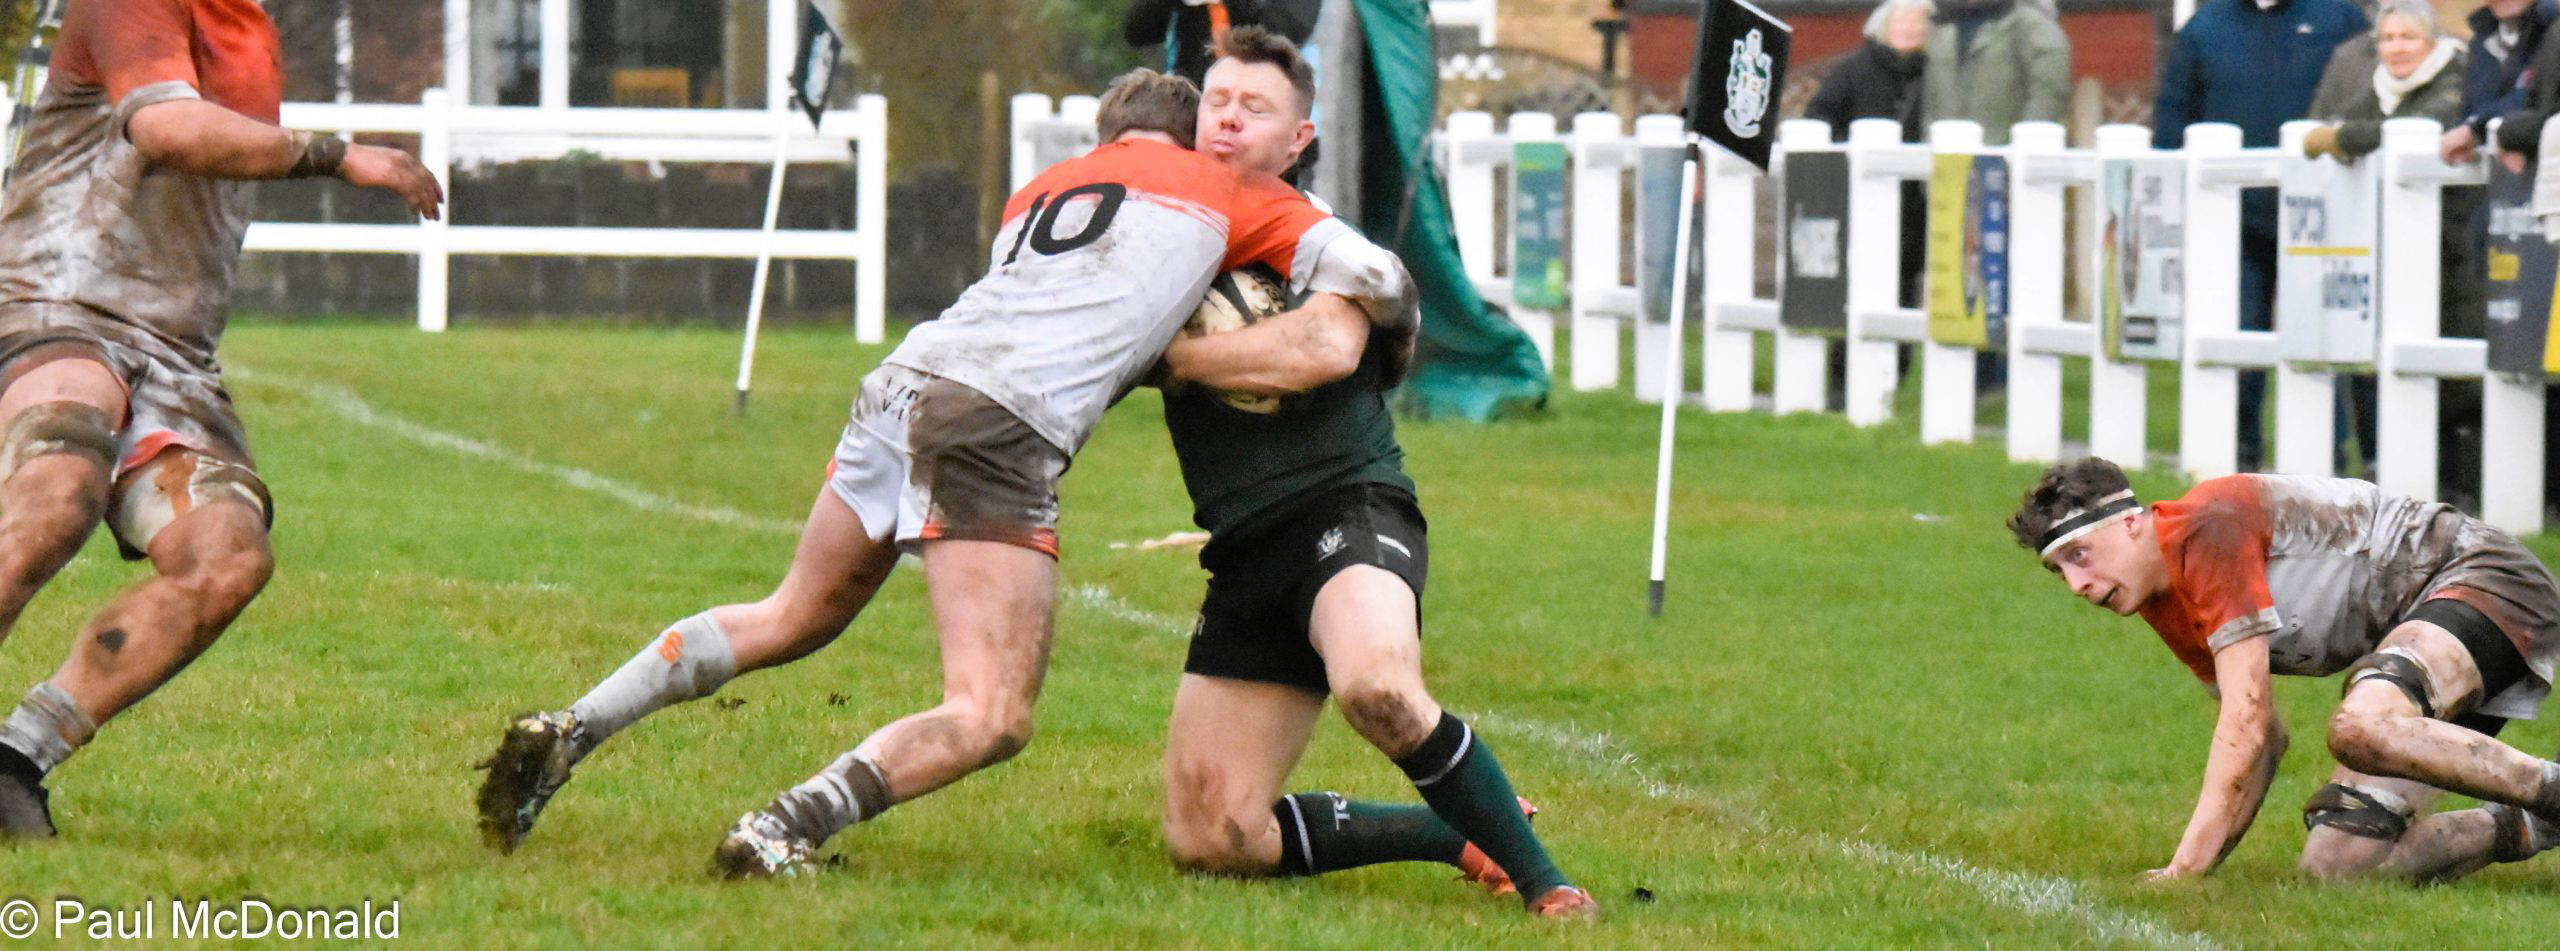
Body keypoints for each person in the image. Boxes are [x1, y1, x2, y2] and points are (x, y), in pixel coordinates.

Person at [472, 68, 1415, 879]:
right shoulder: (1217, 186)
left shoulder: (1039, 193)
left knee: (792, 611)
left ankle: (572, 725)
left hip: (903, 378)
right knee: (991, 712)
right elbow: (1373, 279)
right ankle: (781, 828)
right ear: (1187, 133)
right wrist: (1392, 338)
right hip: (994, 421)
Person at [1147, 27, 1597, 920]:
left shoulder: (1322, 240)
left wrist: (1175, 359)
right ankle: (1456, 832)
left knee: (1377, 686)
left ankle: (1549, 885)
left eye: (1254, 108)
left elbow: (1321, 347)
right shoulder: (1162, 242)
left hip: (1347, 506)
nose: (1227, 119)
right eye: (1217, 101)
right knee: (1210, 834)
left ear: (1299, 139)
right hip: (1244, 551)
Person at [0, 0, 443, 837]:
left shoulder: (248, 28)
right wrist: (341, 156)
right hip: (52, 308)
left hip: (176, 356)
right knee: (60, 489)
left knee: (229, 559)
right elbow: (167, 128)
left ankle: (16, 758)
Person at [2009, 459, 2560, 882]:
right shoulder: (2160, 600)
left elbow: (2246, 721)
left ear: (2130, 523)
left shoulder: (2206, 526)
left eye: (2079, 555)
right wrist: (2196, 873)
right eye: (2059, 571)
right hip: (2427, 641)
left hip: (2480, 578)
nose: (2076, 585)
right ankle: (2535, 822)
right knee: (2336, 869)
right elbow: (2265, 739)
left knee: (2360, 727)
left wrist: (2183, 870)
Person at [2153, 0, 2366, 473]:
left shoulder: (2339, 17)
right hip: (2231, 215)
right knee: (2237, 327)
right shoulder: (2205, 26)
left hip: (2322, 213)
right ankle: (2238, 451)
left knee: (2323, 334)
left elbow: (2368, 90)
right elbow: (2174, 114)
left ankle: (2324, 453)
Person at [2301, 0, 2481, 498]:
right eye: (2387, 38)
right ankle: (2398, 474)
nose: (2396, 48)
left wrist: (2338, 139)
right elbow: (2326, 127)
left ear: (2431, 42)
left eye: (2408, 37)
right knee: (2382, 362)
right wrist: (2335, 137)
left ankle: (2460, 484)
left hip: (2456, 244)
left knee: (2455, 371)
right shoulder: (2380, 88)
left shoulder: (2457, 78)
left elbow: (2409, 130)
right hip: (2390, 249)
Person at [1919, 0, 2068, 147]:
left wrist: (2024, 144)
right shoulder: (1941, 21)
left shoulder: (2029, 23)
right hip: (1945, 149)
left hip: (2004, 152)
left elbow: (2050, 90)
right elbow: (1930, 95)